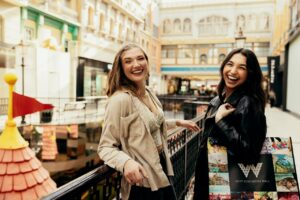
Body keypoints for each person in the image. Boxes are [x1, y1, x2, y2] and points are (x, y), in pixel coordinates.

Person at [98, 44, 200, 200]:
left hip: (163, 167)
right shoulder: (120, 100)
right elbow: (105, 147)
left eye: (140, 58)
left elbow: (149, 124)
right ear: (121, 68)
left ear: (147, 62)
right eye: (128, 61)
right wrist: (126, 163)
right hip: (142, 180)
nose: (136, 64)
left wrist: (178, 122)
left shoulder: (150, 93)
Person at [193, 48, 267, 199]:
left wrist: (221, 122)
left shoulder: (248, 102)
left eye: (242, 67)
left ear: (250, 73)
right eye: (230, 64)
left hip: (229, 186)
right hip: (210, 180)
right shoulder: (218, 100)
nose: (233, 71)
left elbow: (250, 153)